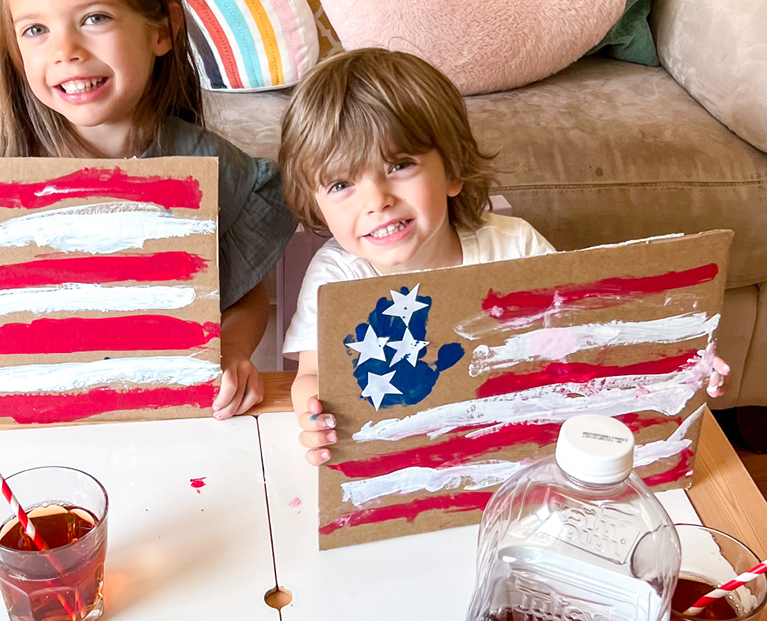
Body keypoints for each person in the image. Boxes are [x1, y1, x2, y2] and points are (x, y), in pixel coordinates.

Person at [0, 0, 295, 427]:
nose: (66, 51)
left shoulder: (209, 165)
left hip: (160, 419)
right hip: (20, 422)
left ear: (161, 31)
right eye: (35, 30)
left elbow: (245, 296)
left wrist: (233, 352)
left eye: (95, 18)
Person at [278, 48, 730, 465]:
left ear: (452, 170)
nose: (376, 200)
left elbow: (589, 336)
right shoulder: (336, 275)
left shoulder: (515, 247)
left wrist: (682, 359)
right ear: (317, 203)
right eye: (341, 185)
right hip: (407, 460)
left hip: (518, 450)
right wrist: (315, 417)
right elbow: (313, 376)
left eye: (399, 166)